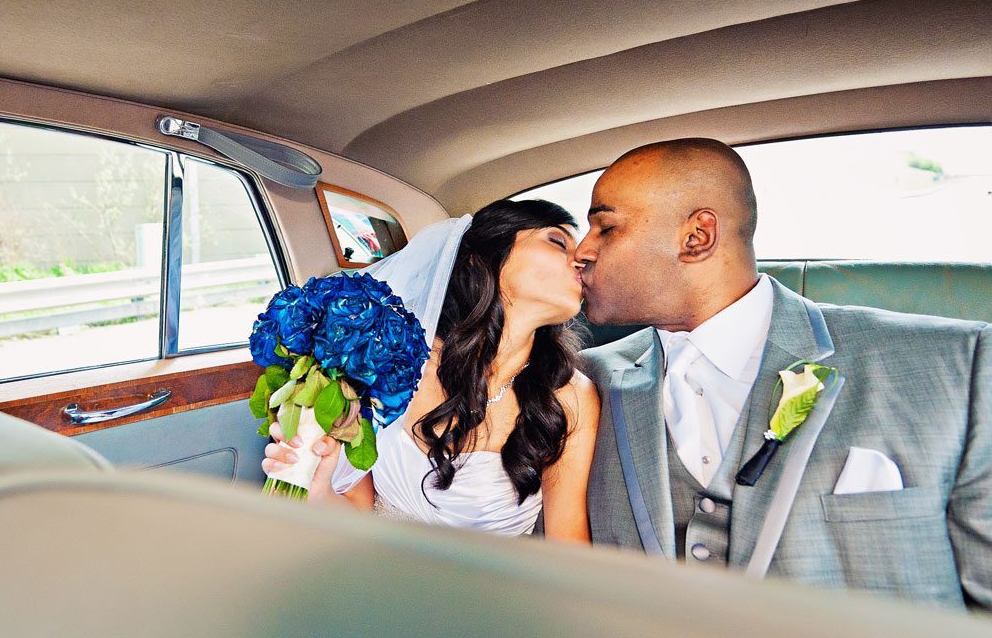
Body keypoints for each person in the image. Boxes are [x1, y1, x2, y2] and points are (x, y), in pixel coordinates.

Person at [575, 138, 990, 609]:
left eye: (605, 228)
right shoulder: (583, 383)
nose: (580, 252)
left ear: (697, 237)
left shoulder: (958, 365)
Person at [264, 199, 599, 541]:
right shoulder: (393, 353)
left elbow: (568, 545)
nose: (583, 257)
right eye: (557, 241)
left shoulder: (571, 396)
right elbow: (354, 507)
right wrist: (317, 485)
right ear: (480, 256)